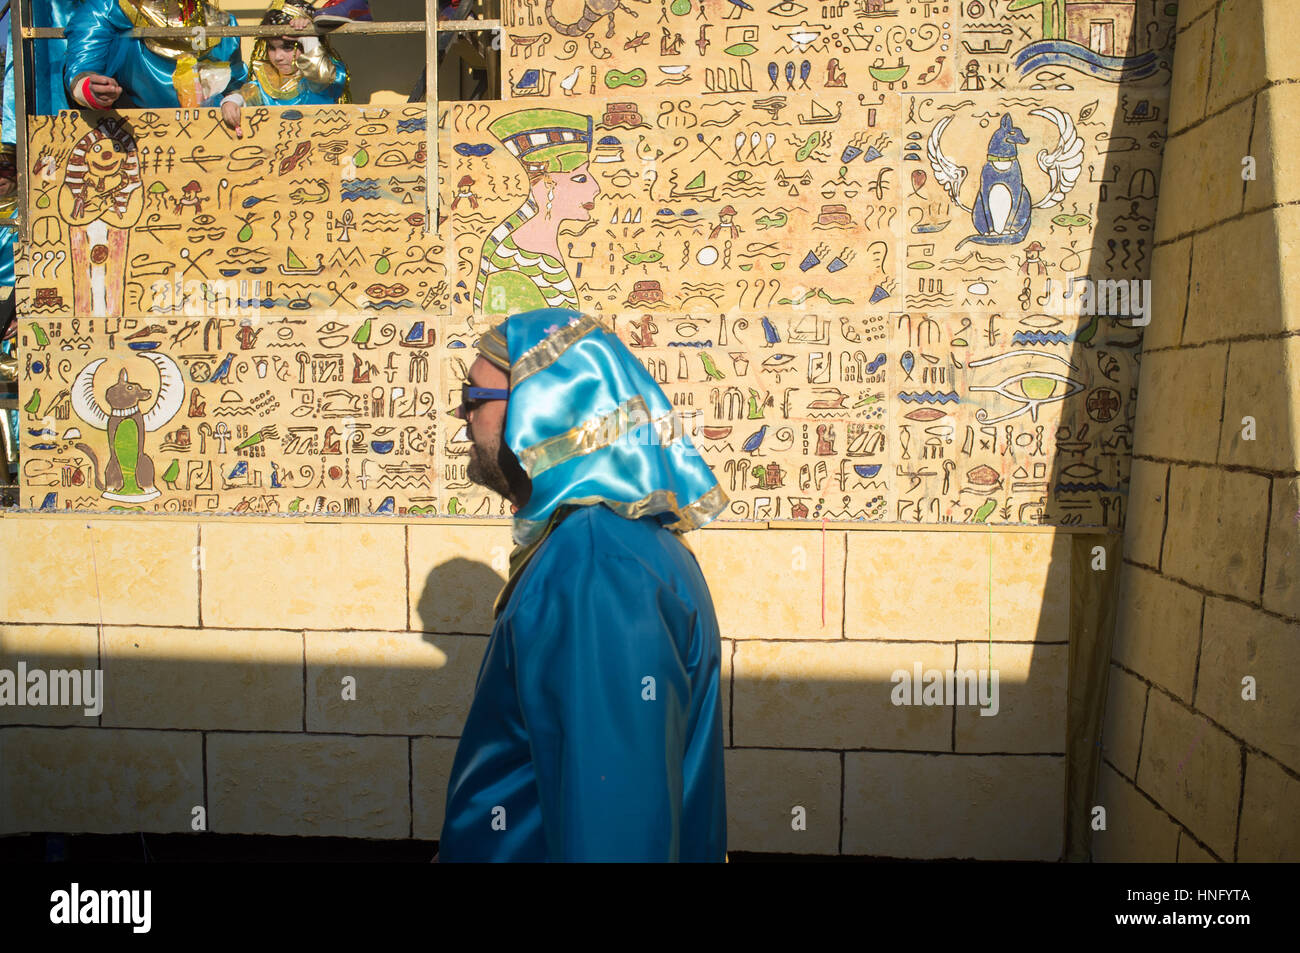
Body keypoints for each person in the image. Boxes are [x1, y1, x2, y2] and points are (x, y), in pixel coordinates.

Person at [437, 307, 729, 862]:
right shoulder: (616, 546)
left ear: (545, 411)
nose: (462, 413)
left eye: (475, 397)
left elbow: (613, 832)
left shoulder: (597, 566)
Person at [472, 108, 600, 315]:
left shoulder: (534, 253)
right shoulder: (512, 268)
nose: (596, 188)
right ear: (547, 184)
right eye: (579, 178)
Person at [63, 0, 246, 109]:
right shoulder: (108, 10)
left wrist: (234, 100)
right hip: (134, 140)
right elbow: (82, 70)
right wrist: (92, 90)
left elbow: (237, 87)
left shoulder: (222, 23)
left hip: (207, 142)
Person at [220, 1, 350, 137]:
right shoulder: (269, 78)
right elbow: (250, 93)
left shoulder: (328, 74)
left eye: (287, 47)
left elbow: (319, 76)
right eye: (271, 47)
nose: (278, 57)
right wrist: (233, 101)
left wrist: (309, 39)